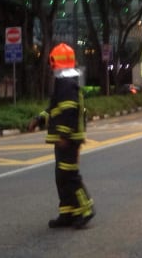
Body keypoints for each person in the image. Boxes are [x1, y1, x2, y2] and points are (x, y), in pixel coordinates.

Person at [28, 43, 95, 229]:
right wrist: (38, 119)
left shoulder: (65, 83)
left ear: (55, 61)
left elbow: (68, 110)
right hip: (66, 138)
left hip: (69, 139)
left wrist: (64, 135)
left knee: (69, 176)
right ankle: (67, 213)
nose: (50, 66)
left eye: (51, 62)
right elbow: (54, 109)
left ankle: (86, 209)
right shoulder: (64, 82)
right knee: (61, 176)